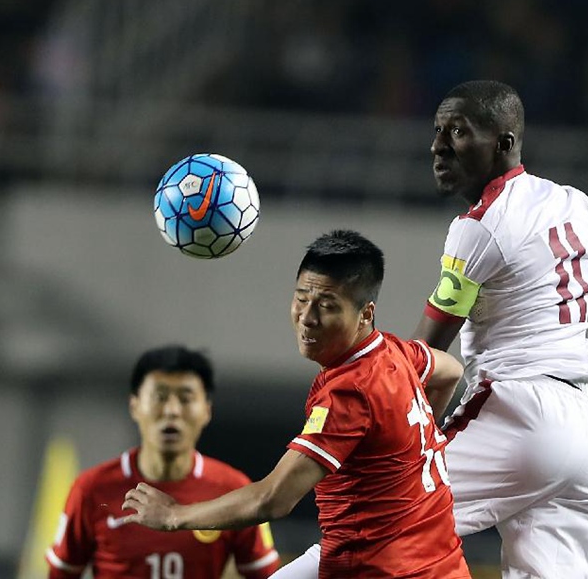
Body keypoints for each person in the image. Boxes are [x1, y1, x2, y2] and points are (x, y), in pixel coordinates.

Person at [270, 79, 588, 578]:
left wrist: (390, 442)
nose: (438, 146)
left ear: (504, 142)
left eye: (458, 131)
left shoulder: (479, 226)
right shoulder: (576, 204)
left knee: (371, 528)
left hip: (517, 417)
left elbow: (422, 355)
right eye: (437, 131)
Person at [122, 230, 472, 578]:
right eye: (302, 298)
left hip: (379, 568)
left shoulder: (349, 394)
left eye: (327, 305)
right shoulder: (395, 352)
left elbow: (273, 499)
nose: (307, 317)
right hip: (437, 561)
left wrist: (174, 515)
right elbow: (451, 371)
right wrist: (407, 442)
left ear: (366, 314)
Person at [46, 345, 282, 579]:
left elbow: (267, 575)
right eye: (159, 397)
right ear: (134, 406)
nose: (171, 410)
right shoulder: (91, 489)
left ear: (206, 410)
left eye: (186, 398)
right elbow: (61, 574)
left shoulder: (233, 488)